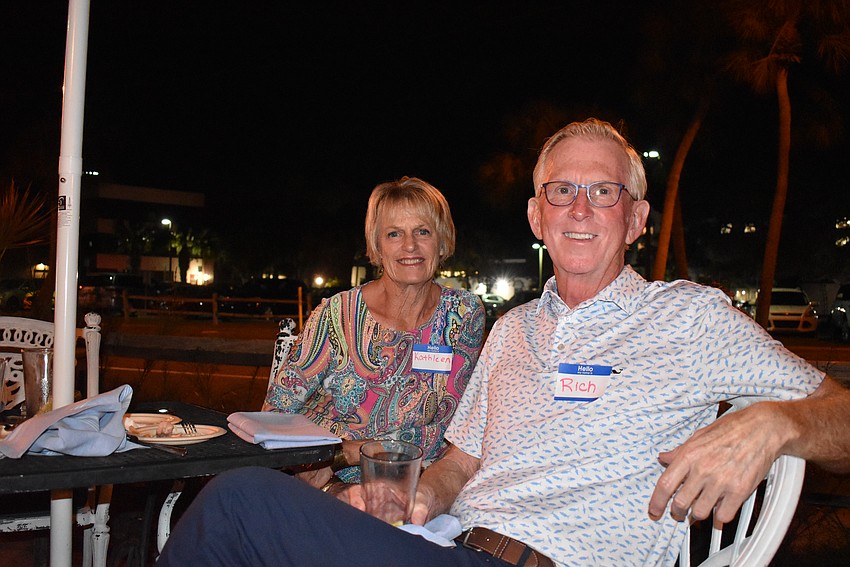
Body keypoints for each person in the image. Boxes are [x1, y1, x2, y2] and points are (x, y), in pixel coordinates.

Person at [158, 119, 850, 567]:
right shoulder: (512, 328)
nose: (580, 208)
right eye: (561, 190)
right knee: (237, 504)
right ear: (535, 215)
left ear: (636, 218)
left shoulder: (692, 317)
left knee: (239, 502)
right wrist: (414, 498)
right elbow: (459, 463)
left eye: (604, 191)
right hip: (449, 546)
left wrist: (777, 420)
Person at [262, 176, 485, 489]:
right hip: (329, 478)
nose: (410, 246)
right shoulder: (337, 315)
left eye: (423, 231)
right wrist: (321, 463)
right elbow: (274, 415)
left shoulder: (463, 314)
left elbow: (449, 424)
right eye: (394, 234)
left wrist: (355, 450)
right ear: (377, 246)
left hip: (418, 484)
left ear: (443, 241)